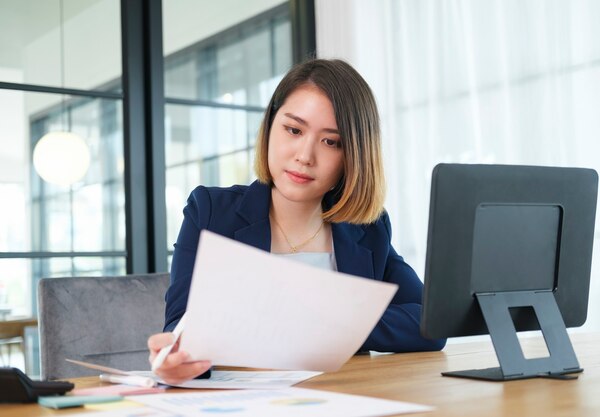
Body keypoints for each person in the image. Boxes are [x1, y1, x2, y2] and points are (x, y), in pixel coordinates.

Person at [148, 59, 446, 385]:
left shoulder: (366, 228)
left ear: (354, 156)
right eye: (294, 130)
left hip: (343, 399)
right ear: (271, 125)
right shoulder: (210, 212)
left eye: (331, 141)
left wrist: (321, 324)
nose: (305, 155)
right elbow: (181, 334)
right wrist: (175, 362)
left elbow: (431, 324)